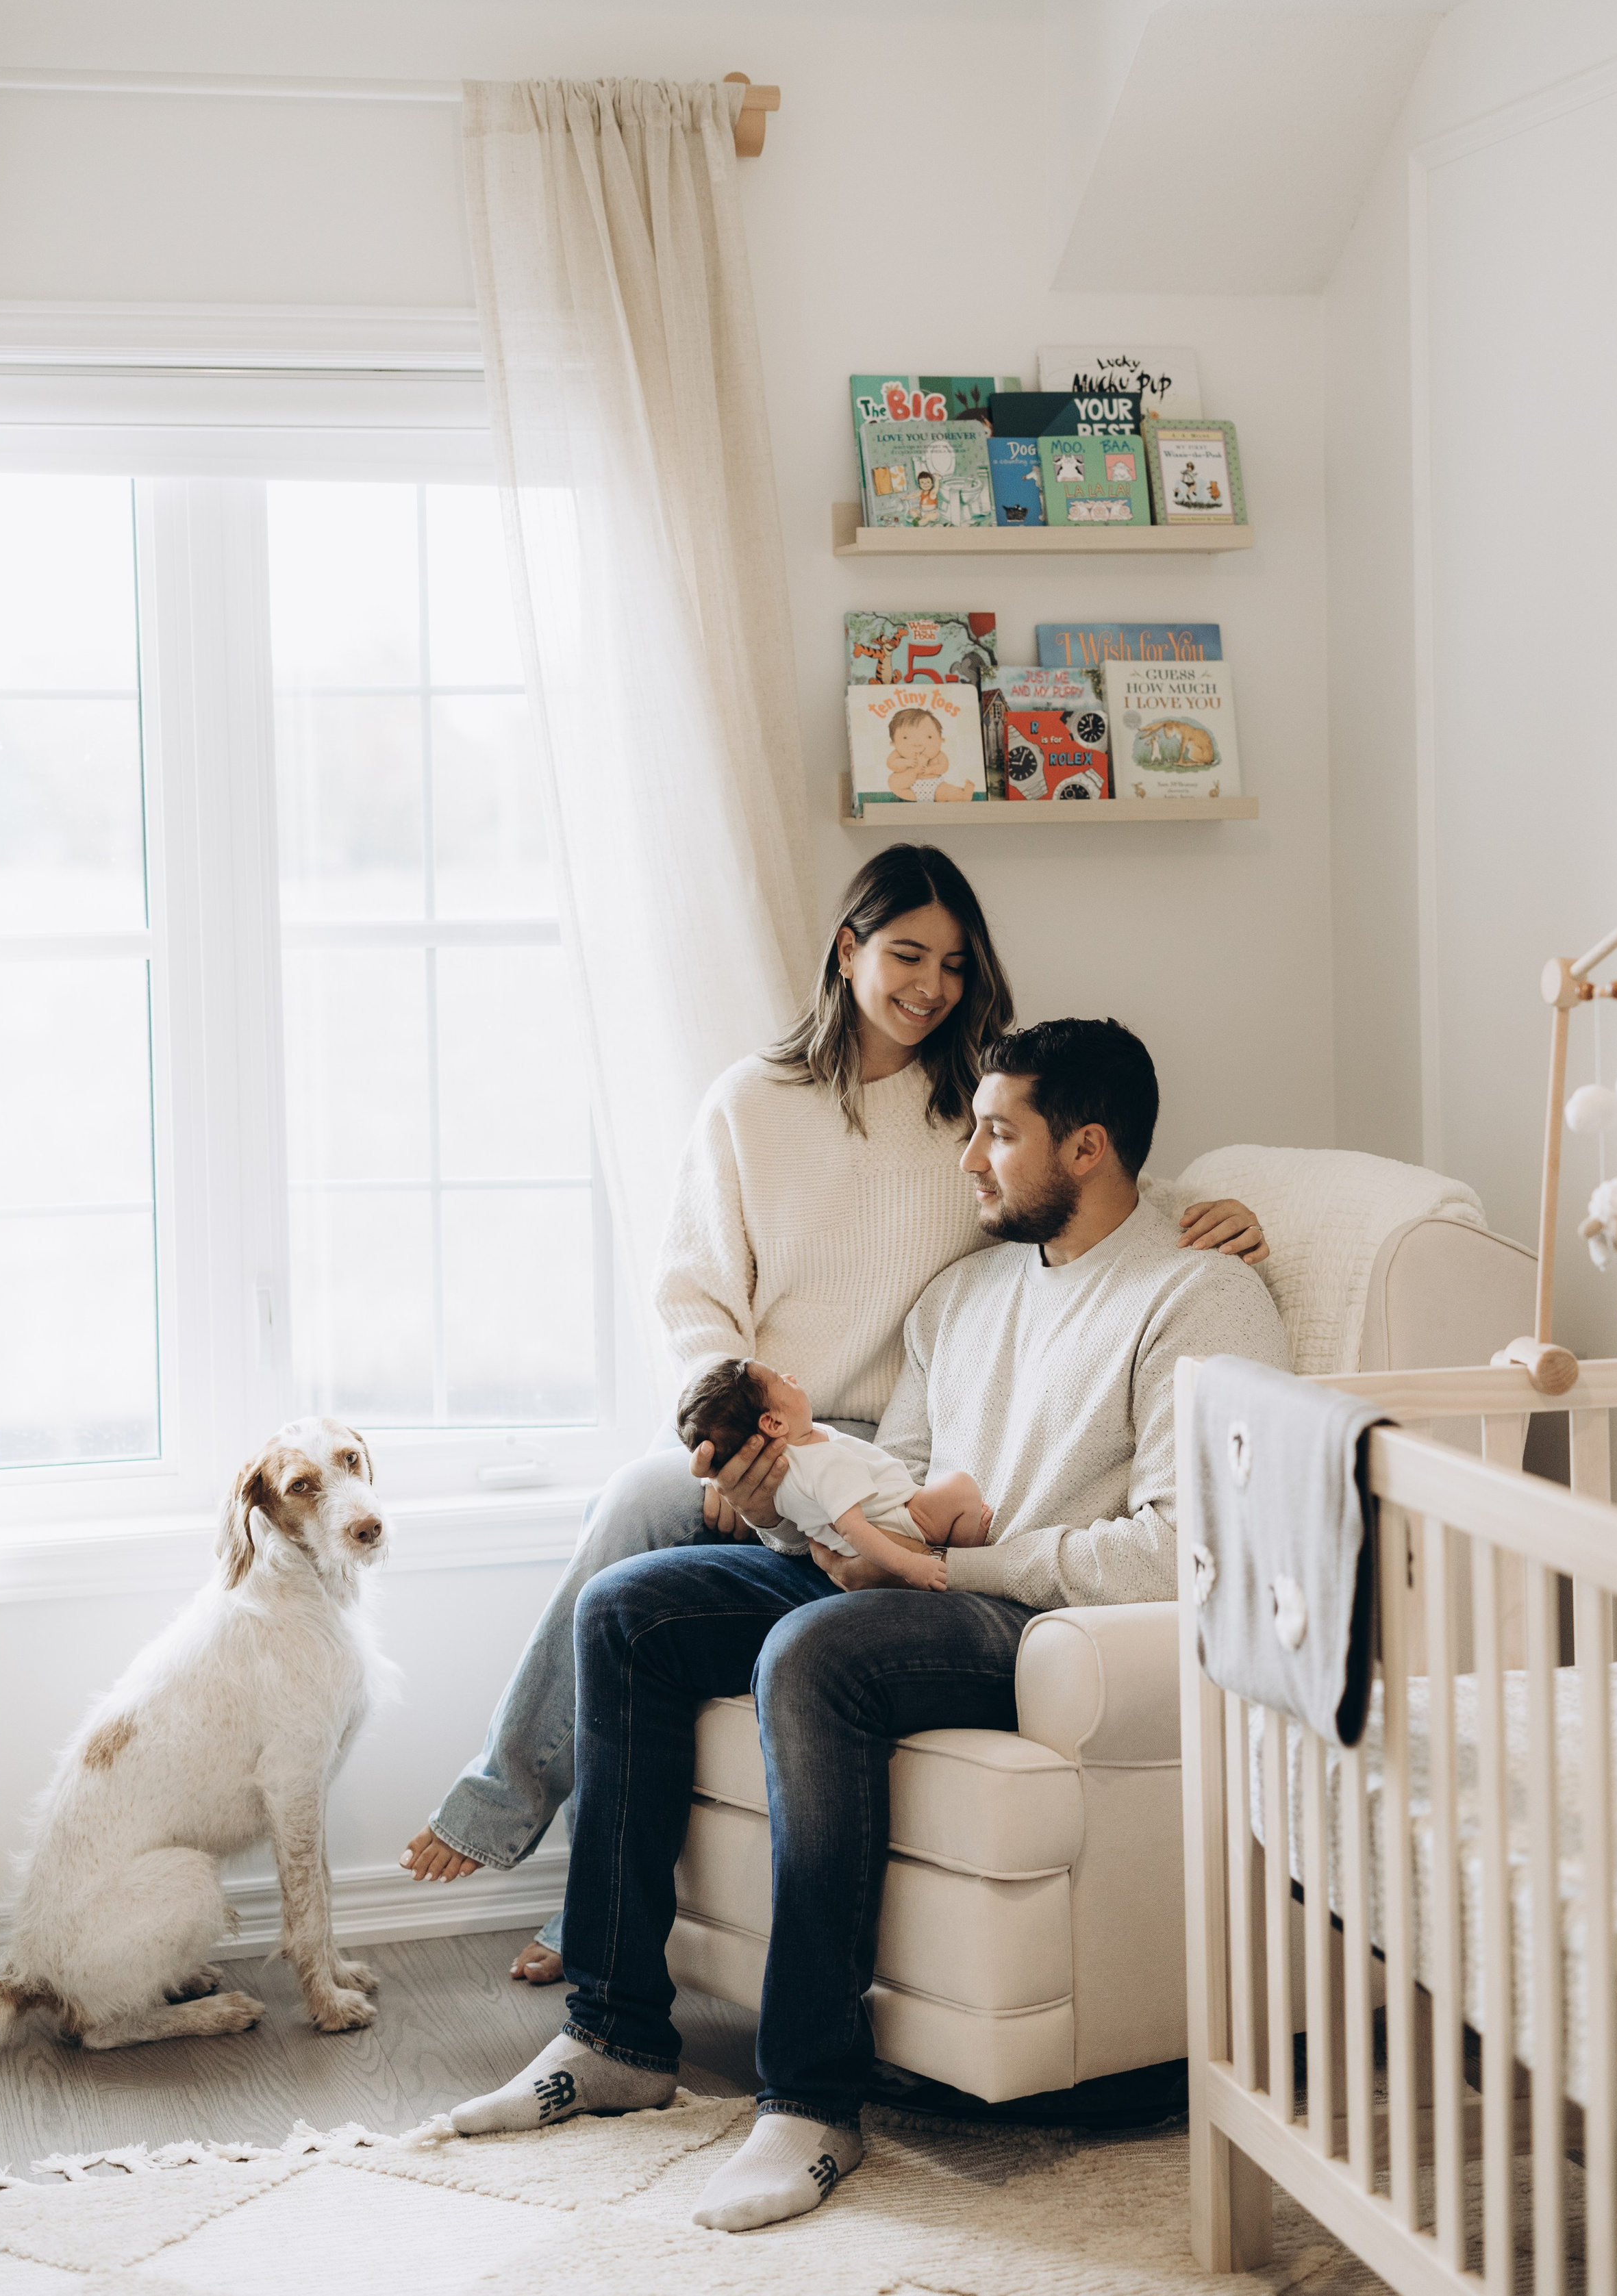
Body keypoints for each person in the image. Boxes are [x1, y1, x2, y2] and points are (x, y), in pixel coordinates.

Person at [446, 1017, 1293, 2233]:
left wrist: (948, 1568)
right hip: (919, 1582)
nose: (970, 1160)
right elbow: (889, 1482)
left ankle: (811, 2100)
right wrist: (796, 1520)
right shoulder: (963, 1297)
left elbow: (1177, 1549)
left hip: (1037, 1621)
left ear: (1089, 1146)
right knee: (630, 1608)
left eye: (998, 1134)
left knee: (813, 1654)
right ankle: (615, 2032)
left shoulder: (1201, 1298)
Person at [399, 846, 1267, 1984]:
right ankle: (531, 1830)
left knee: (768, 1624)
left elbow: (1080, 1180)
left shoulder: (969, 1099)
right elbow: (695, 1296)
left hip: (902, 1448)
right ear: (848, 950)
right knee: (636, 1522)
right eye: (908, 955)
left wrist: (1207, 1211)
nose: (933, 987)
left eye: (955, 964)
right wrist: (740, 1440)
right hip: (783, 1424)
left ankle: (610, 1922)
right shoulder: (751, 1105)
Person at [676, 1355, 990, 1591]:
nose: (790, 1377)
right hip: (902, 1520)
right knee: (961, 1488)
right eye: (782, 1383)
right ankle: (966, 1550)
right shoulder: (822, 1463)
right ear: (773, 1423)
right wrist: (912, 1566)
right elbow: (854, 1530)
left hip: (868, 1538)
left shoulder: (788, 1461)